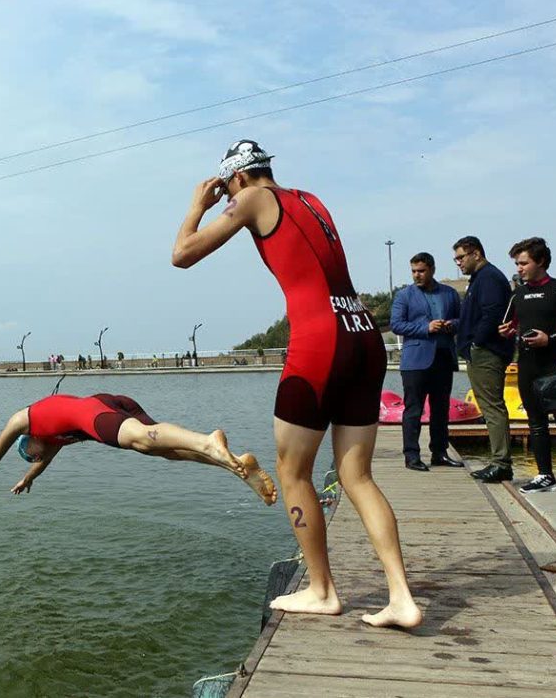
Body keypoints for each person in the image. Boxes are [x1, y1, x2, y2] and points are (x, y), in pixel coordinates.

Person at [169, 139, 421, 628]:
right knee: (357, 476)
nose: (227, 200)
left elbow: (182, 254)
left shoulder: (253, 197)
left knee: (292, 470)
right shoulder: (310, 199)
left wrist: (197, 207)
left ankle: (323, 589)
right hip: (363, 335)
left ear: (236, 178)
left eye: (227, 189)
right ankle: (401, 597)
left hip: (319, 342)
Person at [0, 393, 276, 504]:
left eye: (32, 454)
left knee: (142, 438)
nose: (37, 458)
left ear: (30, 441)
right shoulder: (53, 442)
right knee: (162, 449)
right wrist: (29, 479)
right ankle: (234, 466)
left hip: (96, 413)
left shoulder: (23, 420)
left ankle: (208, 440)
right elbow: (44, 462)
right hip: (113, 403)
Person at [497, 238, 556, 495]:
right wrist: (506, 331)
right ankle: (544, 474)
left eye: (524, 263)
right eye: (517, 263)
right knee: (535, 423)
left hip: (554, 364)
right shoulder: (517, 294)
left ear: (540, 261)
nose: (519, 268)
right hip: (527, 365)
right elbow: (507, 325)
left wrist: (550, 339)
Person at [390, 252, 463, 471]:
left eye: (421, 271)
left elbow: (462, 320)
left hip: (443, 358)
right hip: (415, 362)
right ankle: (411, 456)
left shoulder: (449, 294)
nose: (416, 275)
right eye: (413, 271)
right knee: (414, 409)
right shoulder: (404, 295)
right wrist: (426, 328)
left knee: (441, 409)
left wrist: (451, 324)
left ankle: (439, 453)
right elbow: (396, 325)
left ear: (431, 269)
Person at [453, 236, 515, 483]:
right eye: (456, 258)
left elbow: (491, 313)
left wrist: (476, 342)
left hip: (487, 351)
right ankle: (498, 460)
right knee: (489, 406)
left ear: (476, 253)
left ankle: (501, 463)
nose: (458, 263)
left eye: (461, 257)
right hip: (481, 350)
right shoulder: (479, 279)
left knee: (491, 406)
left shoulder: (488, 277)